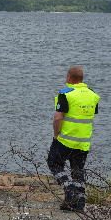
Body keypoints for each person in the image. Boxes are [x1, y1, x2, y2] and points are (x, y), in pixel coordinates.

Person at [47, 66, 100, 212]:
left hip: (66, 139)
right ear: (81, 79)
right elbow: (89, 115)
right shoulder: (92, 95)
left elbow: (58, 117)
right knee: (78, 169)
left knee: (54, 163)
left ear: (69, 77)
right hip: (83, 141)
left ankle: (69, 189)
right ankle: (80, 202)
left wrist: (56, 135)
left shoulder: (66, 94)